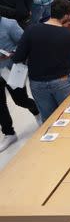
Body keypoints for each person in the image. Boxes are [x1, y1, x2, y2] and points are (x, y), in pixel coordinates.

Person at [13, 0, 70, 120]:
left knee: (48, 120)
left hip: (37, 83)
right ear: (67, 15)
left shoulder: (31, 29)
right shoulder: (68, 35)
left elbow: (18, 57)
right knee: (68, 117)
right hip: (61, 82)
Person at [0, 15, 39, 152]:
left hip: (12, 70)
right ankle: (9, 133)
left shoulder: (9, 24)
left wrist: (10, 54)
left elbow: (25, 43)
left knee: (20, 100)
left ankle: (37, 112)